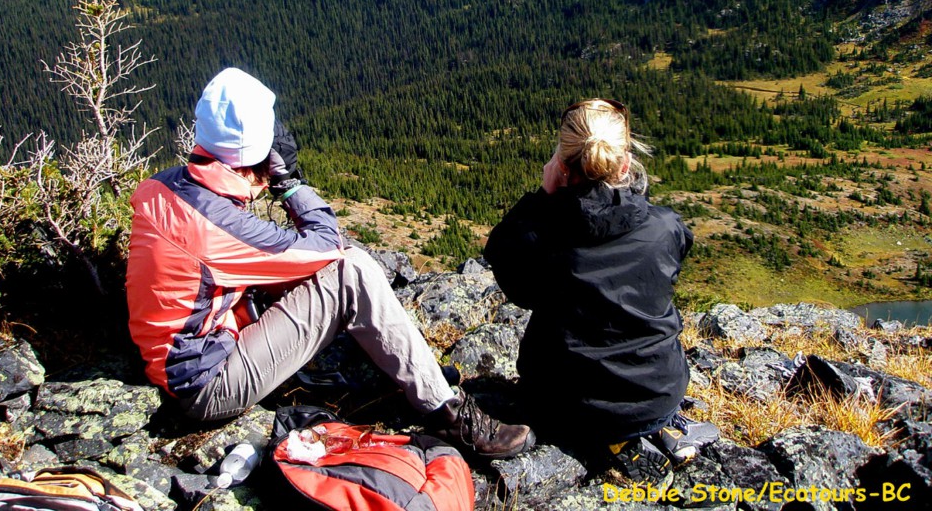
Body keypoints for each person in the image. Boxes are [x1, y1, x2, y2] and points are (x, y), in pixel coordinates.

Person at [126, 67, 535, 459]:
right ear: (257, 153)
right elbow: (327, 245)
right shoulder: (214, 226)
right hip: (207, 385)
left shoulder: (162, 186)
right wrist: (291, 184)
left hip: (177, 354)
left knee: (306, 273)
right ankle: (447, 413)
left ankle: (410, 371)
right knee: (350, 270)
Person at [483, 98, 717, 484]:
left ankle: (605, 444)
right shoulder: (665, 228)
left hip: (562, 405)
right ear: (625, 164)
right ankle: (652, 432)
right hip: (657, 395)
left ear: (561, 164)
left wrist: (543, 197)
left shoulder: (537, 238)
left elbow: (511, 276)